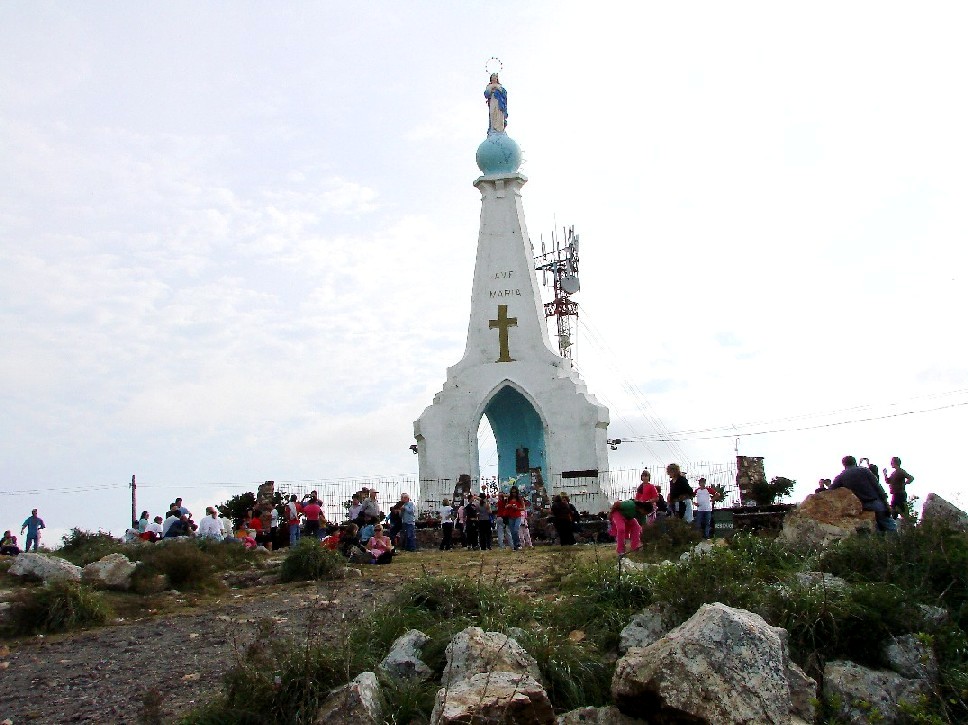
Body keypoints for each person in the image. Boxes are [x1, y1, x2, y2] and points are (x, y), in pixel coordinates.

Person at [830, 455, 896, 532]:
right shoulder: (865, 471)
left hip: (862, 508)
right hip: (877, 504)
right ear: (855, 462)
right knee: (890, 528)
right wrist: (885, 502)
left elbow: (831, 489)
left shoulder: (841, 476)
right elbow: (877, 486)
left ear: (844, 464)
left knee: (875, 533)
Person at [505, 486, 525, 551]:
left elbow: (523, 508)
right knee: (512, 532)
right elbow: (506, 506)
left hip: (517, 516)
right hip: (510, 516)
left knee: (516, 529)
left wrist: (517, 508)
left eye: (515, 492)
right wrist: (509, 505)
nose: (514, 493)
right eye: (512, 492)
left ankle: (518, 543)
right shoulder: (509, 499)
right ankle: (515, 545)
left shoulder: (519, 499)